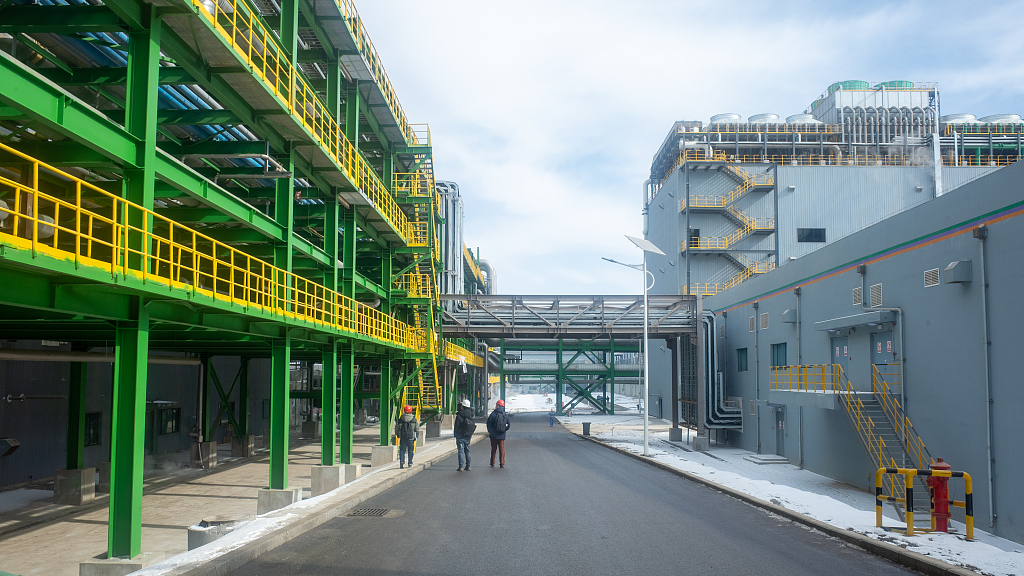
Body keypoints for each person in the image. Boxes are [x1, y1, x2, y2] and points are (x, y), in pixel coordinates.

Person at [486, 399, 511, 468]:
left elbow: (488, 424)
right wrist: (503, 430)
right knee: (501, 449)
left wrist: (491, 432)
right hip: (501, 435)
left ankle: (492, 462)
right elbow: (508, 425)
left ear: (497, 406)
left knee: (493, 449)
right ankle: (502, 463)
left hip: (493, 436)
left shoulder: (493, 414)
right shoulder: (505, 415)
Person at [454, 398, 475, 471]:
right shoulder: (471, 414)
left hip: (460, 435)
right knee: (467, 450)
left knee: (460, 451)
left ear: (462, 406)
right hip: (468, 435)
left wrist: (456, 435)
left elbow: (457, 426)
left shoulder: (459, 415)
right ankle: (468, 466)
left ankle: (460, 467)